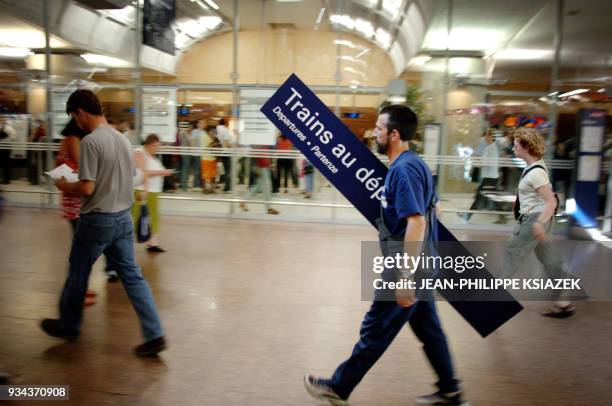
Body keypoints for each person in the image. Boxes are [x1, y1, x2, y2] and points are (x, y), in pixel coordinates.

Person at [304, 105, 466, 406]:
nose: (373, 133)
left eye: (378, 128)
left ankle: (339, 387)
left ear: (393, 134)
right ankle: (451, 390)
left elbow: (417, 222)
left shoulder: (403, 170)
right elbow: (436, 208)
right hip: (423, 263)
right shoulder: (415, 164)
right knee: (429, 330)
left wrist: (405, 276)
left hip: (406, 266)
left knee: (376, 328)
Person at [41, 89, 166, 356]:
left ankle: (69, 324)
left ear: (81, 112)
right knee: (133, 277)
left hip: (97, 220)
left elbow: (87, 188)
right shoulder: (122, 139)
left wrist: (64, 184)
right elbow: (131, 176)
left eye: (76, 118)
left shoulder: (90, 142)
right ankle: (155, 333)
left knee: (78, 272)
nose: (78, 123)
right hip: (123, 218)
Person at [502, 127, 576, 318]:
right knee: (551, 261)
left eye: (516, 145)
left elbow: (551, 201)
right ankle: (563, 303)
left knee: (511, 258)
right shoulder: (535, 166)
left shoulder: (535, 173)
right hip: (539, 219)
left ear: (527, 147)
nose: (513, 148)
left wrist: (538, 223)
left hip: (533, 221)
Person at [133, 134, 174, 253]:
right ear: (149, 144)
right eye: (156, 146)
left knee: (154, 217)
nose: (157, 149)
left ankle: (153, 243)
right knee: (135, 217)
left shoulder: (151, 156)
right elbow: (144, 172)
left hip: (153, 191)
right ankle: (127, 245)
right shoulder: (139, 152)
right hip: (142, 190)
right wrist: (162, 172)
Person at [466, 129, 499, 221]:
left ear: (492, 137)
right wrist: (477, 161)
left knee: (480, 196)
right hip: (488, 176)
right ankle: (503, 216)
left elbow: (487, 163)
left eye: (487, 136)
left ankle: (467, 216)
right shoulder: (488, 148)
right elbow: (484, 162)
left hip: (490, 177)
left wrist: (477, 163)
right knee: (485, 197)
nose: (485, 137)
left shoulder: (492, 148)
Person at [239, 147, 279, 215]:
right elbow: (260, 155)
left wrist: (269, 164)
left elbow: (265, 154)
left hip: (263, 166)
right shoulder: (260, 142)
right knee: (267, 187)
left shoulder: (263, 142)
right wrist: (268, 164)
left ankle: (243, 202)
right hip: (261, 167)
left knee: (257, 187)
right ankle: (269, 208)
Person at [200, 125, 219, 194]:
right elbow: (210, 145)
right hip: (206, 158)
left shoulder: (211, 137)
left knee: (213, 175)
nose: (214, 132)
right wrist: (214, 142)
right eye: (212, 131)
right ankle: (205, 189)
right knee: (206, 175)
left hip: (212, 158)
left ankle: (211, 189)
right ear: (209, 131)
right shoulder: (205, 137)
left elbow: (216, 145)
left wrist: (215, 142)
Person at [216, 118, 232, 192]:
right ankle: (227, 187)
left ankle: (226, 186)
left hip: (222, 152)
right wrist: (231, 145)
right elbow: (226, 143)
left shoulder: (218, 130)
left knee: (226, 170)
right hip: (227, 152)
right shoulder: (225, 130)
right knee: (228, 170)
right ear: (226, 123)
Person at [0, 116, 17, 184]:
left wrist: (6, 139)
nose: (2, 121)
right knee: (3, 163)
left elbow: (13, 137)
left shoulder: (10, 128)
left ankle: (6, 179)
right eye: (1, 119)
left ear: (5, 120)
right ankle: (4, 179)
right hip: (0, 147)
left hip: (7, 147)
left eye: (3, 120)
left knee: (6, 163)